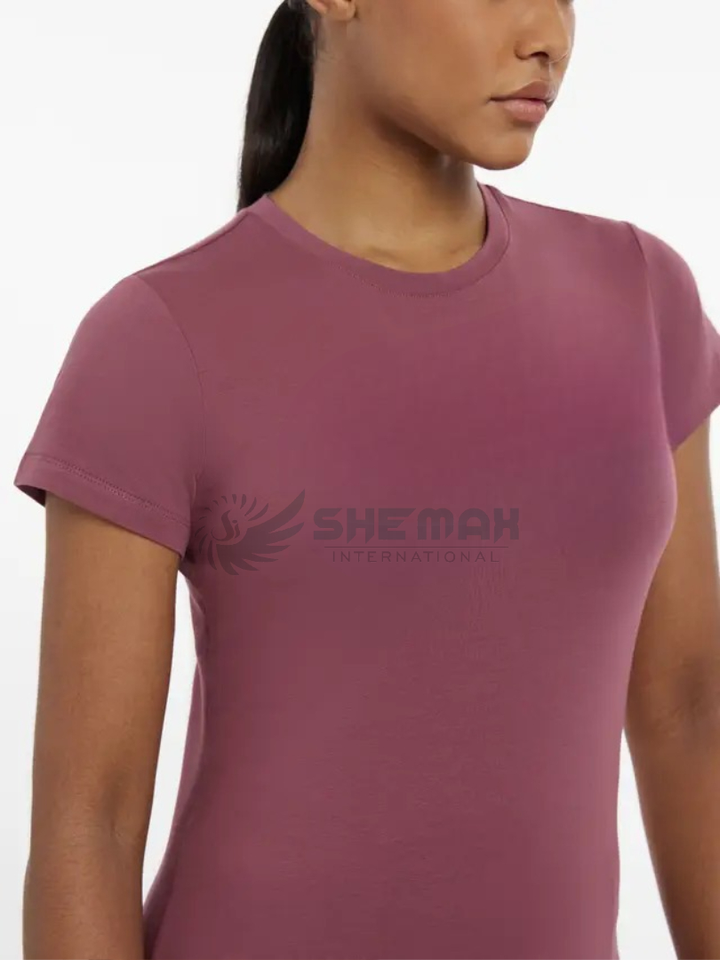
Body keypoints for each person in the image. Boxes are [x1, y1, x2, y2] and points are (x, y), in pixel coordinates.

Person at [13, 1, 720, 958]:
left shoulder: (638, 296)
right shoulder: (160, 338)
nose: (547, 35)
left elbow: (688, 709)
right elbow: (86, 828)